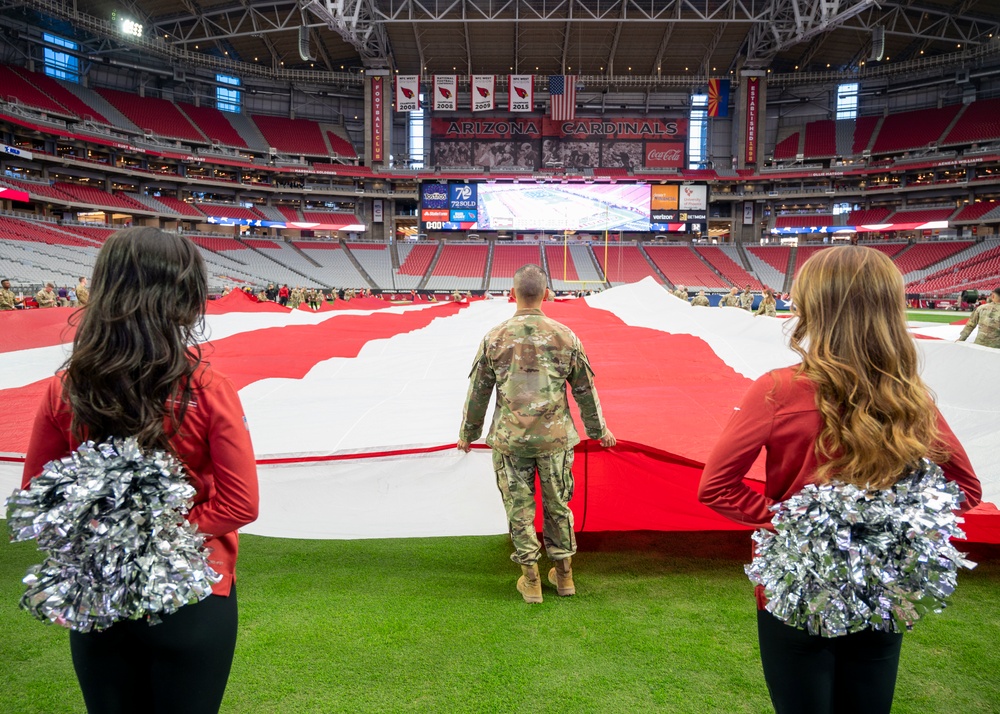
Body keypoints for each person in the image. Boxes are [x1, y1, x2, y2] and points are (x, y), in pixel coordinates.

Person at [697, 246, 981, 714]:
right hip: (881, 588)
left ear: (813, 309)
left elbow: (717, 487)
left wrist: (795, 525)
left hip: (795, 587)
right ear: (890, 309)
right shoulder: (911, 398)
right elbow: (965, 491)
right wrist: (884, 530)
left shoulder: (779, 389)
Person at [21, 227, 259, 714]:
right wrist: (162, 540)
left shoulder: (64, 389)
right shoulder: (208, 387)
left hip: (100, 589)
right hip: (193, 589)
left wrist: (113, 538)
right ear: (186, 299)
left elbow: (39, 494)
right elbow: (241, 503)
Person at [457, 264, 615, 603]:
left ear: (512, 294)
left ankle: (530, 579)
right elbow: (585, 390)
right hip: (555, 440)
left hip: (511, 441)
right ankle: (564, 576)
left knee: (519, 507)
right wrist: (599, 430)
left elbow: (478, 393)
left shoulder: (495, 337)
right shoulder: (565, 335)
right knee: (558, 505)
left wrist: (467, 434)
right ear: (546, 294)